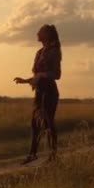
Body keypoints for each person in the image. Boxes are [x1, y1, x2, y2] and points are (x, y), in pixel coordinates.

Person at [14, 24, 62, 165]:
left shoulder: (54, 51)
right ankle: (33, 154)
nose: (37, 33)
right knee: (35, 124)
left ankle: (53, 155)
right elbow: (37, 76)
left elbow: (57, 75)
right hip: (39, 91)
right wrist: (25, 81)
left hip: (50, 91)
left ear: (47, 34)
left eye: (40, 31)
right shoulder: (39, 52)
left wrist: (41, 75)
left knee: (48, 123)